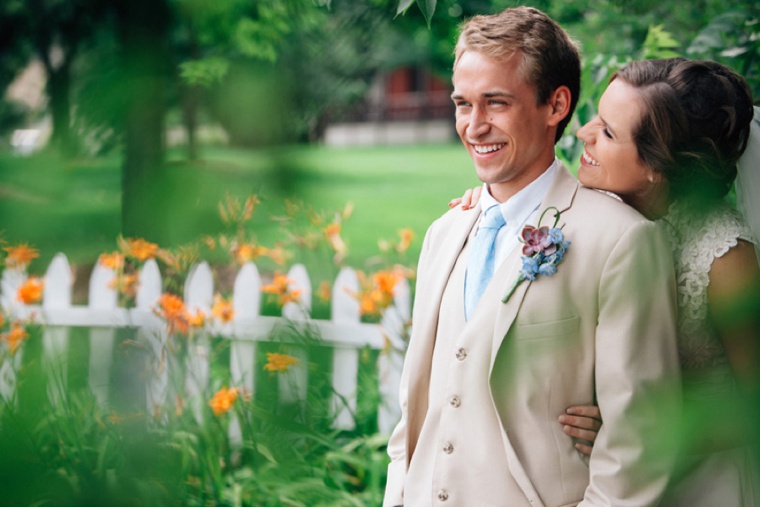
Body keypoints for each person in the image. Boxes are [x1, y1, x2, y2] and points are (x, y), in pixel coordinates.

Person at [384, 7, 681, 507]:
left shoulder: (620, 240)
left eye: (495, 103)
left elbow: (639, 446)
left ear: (555, 105)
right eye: (463, 104)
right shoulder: (444, 232)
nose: (474, 126)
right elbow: (414, 413)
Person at [455, 58, 760, 506]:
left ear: (659, 164)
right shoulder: (594, 215)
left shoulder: (724, 258)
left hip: (702, 484)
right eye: (596, 118)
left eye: (609, 133)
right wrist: (491, 209)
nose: (583, 134)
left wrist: (641, 432)